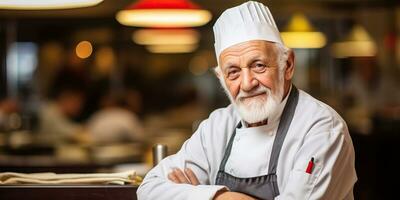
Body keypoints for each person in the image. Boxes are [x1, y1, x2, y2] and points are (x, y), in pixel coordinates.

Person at [137, 1, 357, 200]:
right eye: (233, 72)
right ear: (220, 79)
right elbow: (148, 189)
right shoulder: (217, 126)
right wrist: (221, 197)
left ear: (287, 65)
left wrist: (198, 194)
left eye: (258, 65)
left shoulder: (321, 128)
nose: (247, 83)